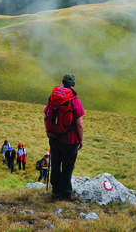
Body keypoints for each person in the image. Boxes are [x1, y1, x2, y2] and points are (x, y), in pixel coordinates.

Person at [44, 73, 85, 201]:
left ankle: (55, 191)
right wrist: (81, 140)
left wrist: (49, 132)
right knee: (67, 167)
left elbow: (46, 116)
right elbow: (79, 123)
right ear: (73, 84)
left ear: (62, 82)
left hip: (54, 137)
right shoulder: (74, 100)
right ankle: (66, 194)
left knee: (55, 164)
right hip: (69, 140)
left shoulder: (54, 97)